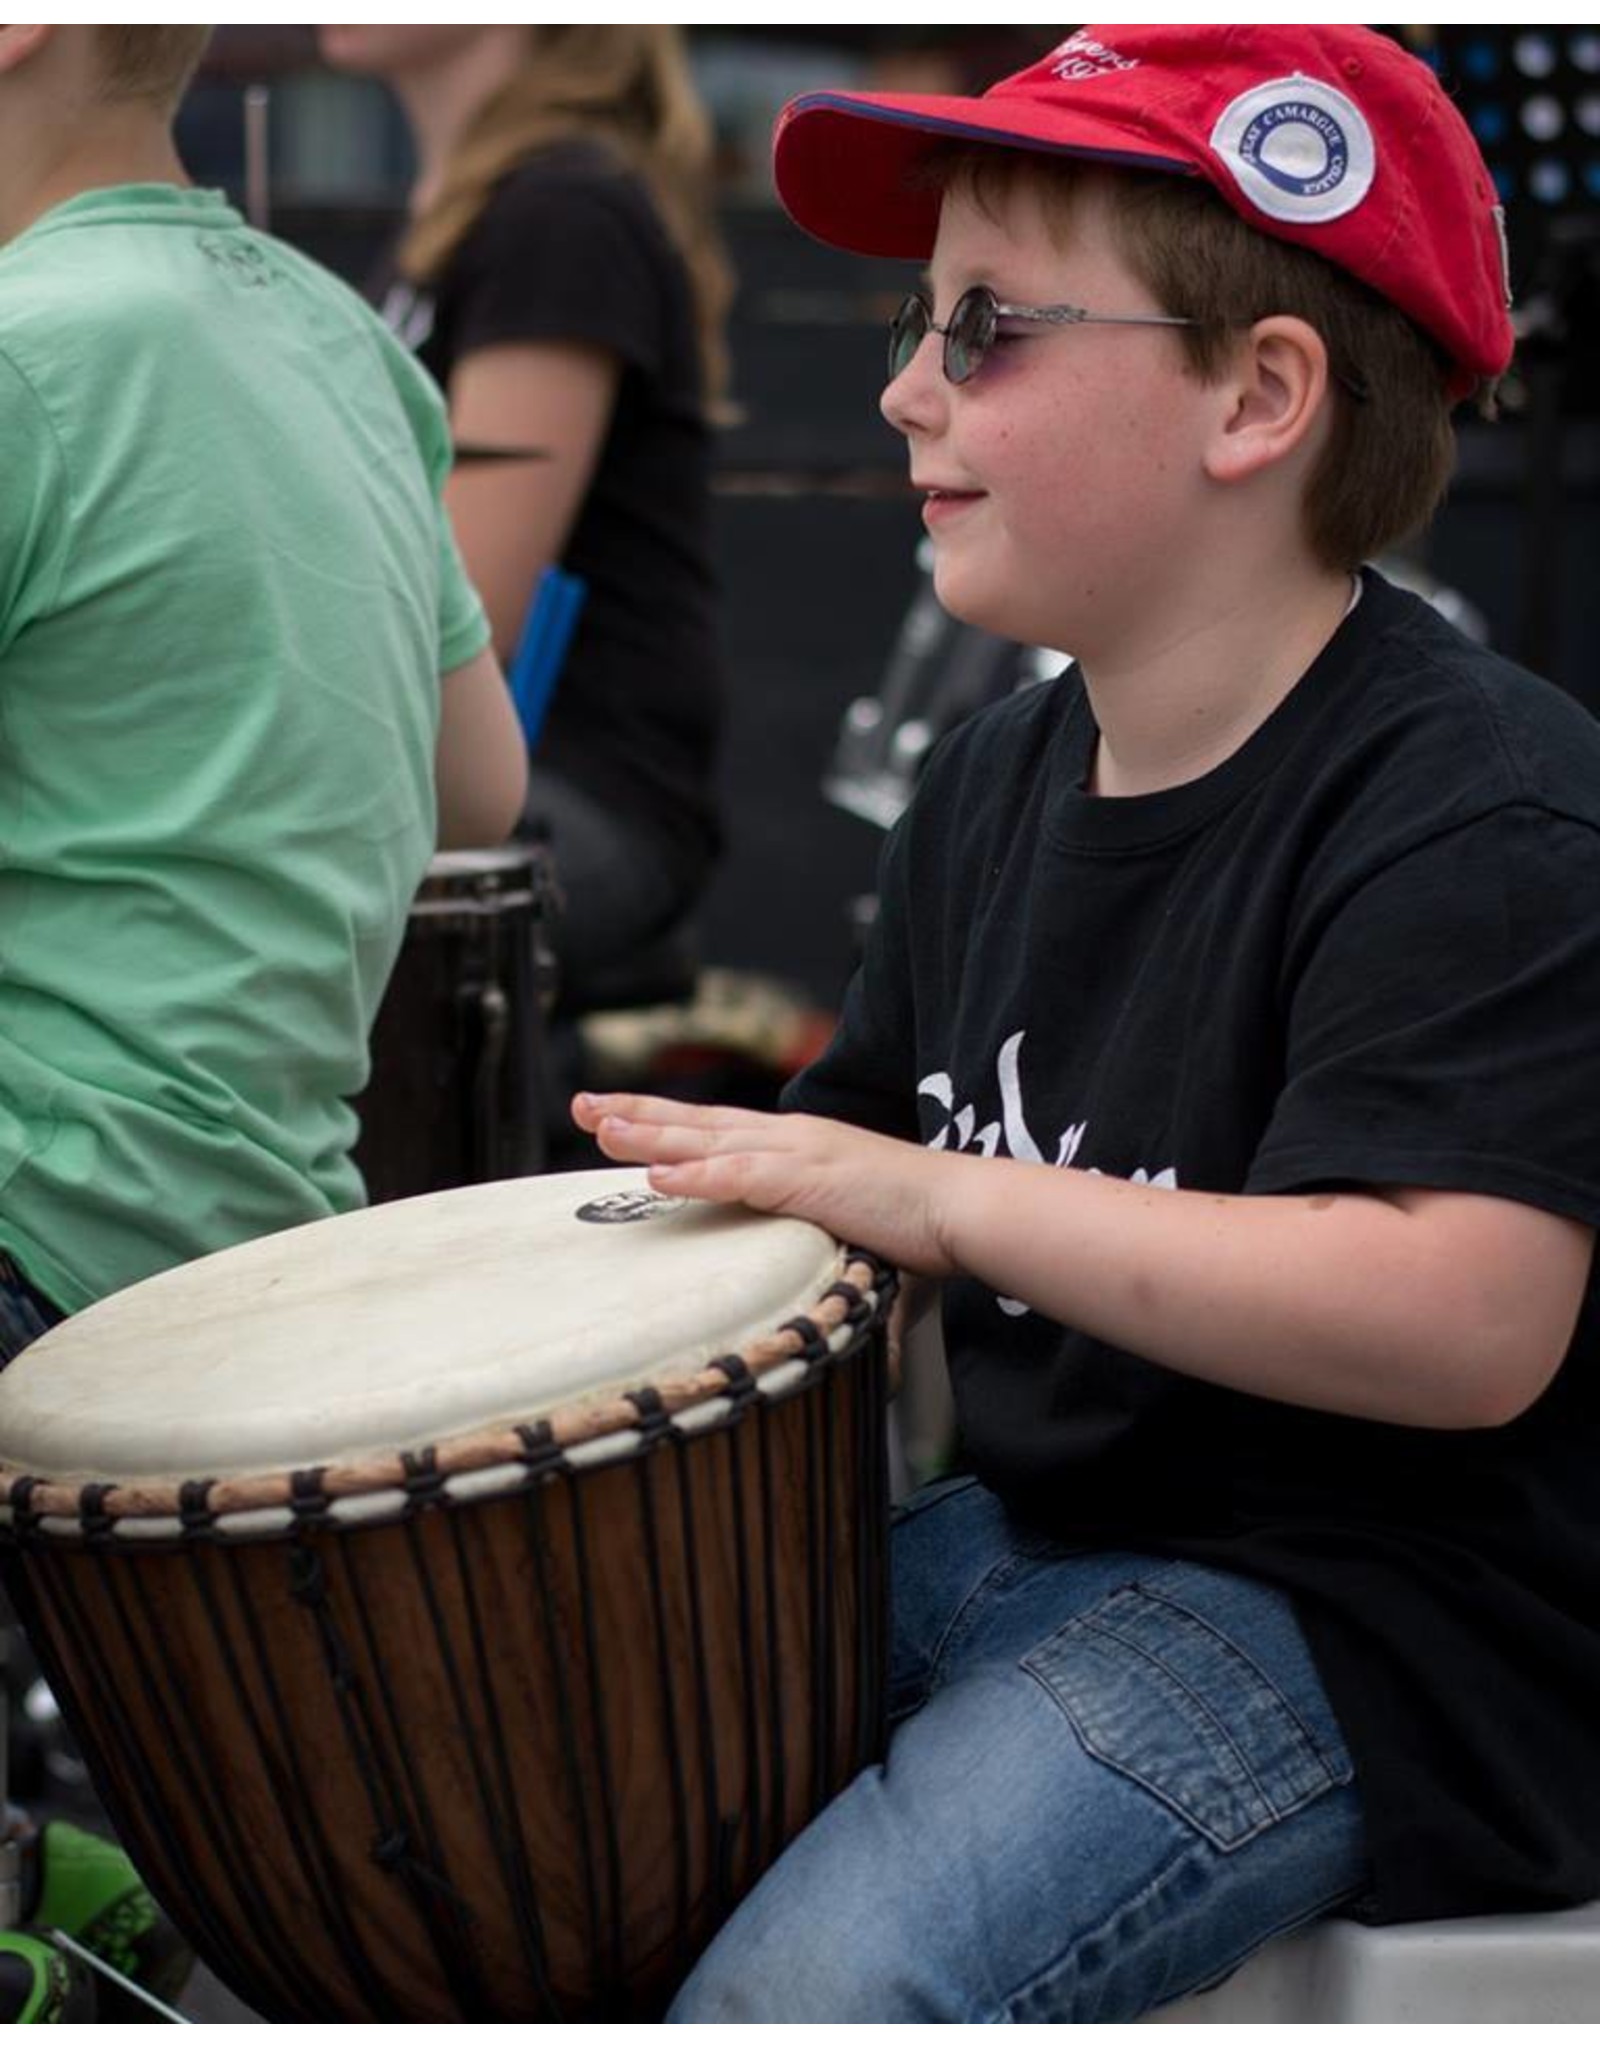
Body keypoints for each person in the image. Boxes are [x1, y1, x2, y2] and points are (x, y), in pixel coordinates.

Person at [573, 23, 1600, 2024]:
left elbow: (1458, 1318)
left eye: (982, 333)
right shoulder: (992, 780)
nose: (897, 391)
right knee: (530, 1809)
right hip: (1020, 1547)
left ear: (1256, 394)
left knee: (810, 2001)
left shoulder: (1477, 805)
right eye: (913, 325)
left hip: (1348, 1631)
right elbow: (844, 1191)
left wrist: (940, 1202)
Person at [0, 22, 524, 2015]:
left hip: (37, 1219)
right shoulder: (338, 341)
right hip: (264, 1235)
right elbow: (478, 791)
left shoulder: (24, 351)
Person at [319, 25, 730, 1011]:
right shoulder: (470, 211)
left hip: (576, 789)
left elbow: (457, 614)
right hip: (494, 772)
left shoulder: (561, 213)